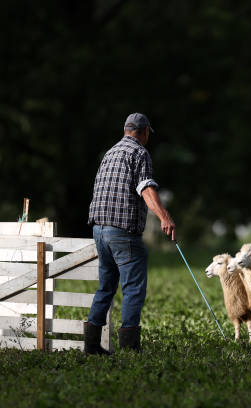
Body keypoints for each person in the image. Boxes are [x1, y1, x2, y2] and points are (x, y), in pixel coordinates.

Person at [85, 113, 176, 354]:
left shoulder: (110, 153)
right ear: (144, 132)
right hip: (123, 233)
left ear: (126, 129)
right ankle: (129, 350)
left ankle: (91, 346)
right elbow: (146, 187)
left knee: (105, 287)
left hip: (99, 230)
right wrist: (164, 217)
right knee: (133, 288)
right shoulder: (139, 153)